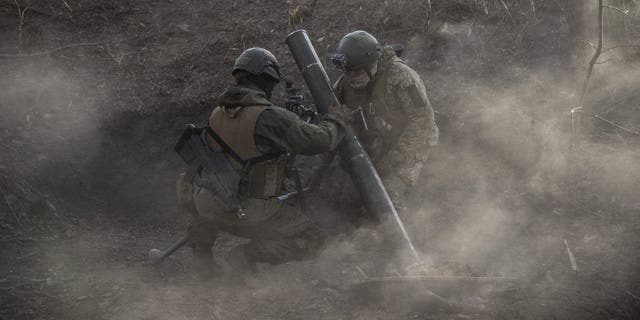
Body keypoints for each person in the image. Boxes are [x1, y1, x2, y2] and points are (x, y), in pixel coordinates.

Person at [176, 47, 345, 277]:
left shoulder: (218, 113)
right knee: (315, 238)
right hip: (247, 212)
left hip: (211, 205)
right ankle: (245, 256)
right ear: (267, 79)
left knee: (212, 191)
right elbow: (321, 141)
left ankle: (203, 258)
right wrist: (336, 118)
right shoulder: (270, 117)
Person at [328, 30, 438, 223]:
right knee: (344, 196)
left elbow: (423, 123)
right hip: (377, 147)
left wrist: (393, 160)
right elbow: (330, 114)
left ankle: (392, 240)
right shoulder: (345, 84)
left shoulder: (401, 77)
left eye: (358, 71)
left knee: (386, 200)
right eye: (348, 72)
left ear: (373, 65)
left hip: (411, 145)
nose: (353, 77)